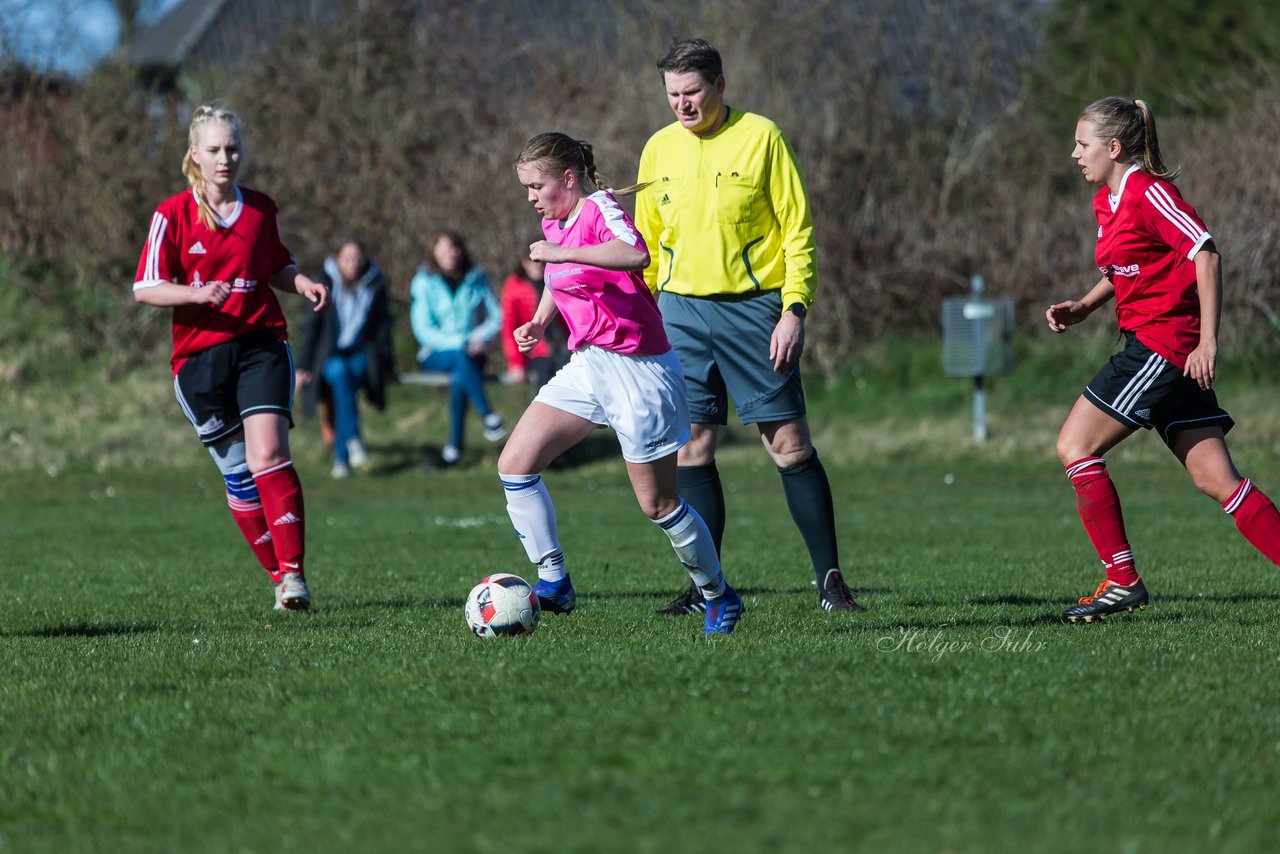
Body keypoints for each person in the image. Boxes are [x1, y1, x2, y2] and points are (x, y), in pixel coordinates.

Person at [634, 37, 860, 615]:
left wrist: (794, 309)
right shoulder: (657, 149)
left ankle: (831, 581)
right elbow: (645, 242)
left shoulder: (763, 137)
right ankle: (704, 587)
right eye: (672, 95)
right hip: (679, 313)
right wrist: (647, 309)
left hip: (754, 312)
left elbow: (797, 229)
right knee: (692, 450)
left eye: (693, 92)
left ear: (720, 86)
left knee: (787, 446)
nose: (682, 105)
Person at [1046, 96, 1280, 622]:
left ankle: (1122, 579)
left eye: (1082, 144)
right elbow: (1127, 267)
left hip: (1164, 348)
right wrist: (1084, 306)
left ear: (1114, 146)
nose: (1074, 153)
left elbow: (1206, 252)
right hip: (1160, 349)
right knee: (1218, 480)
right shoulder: (1106, 201)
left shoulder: (1150, 193)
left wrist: (1208, 342)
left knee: (1075, 446)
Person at [501, 131, 743, 635]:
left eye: (536, 186)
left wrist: (563, 255)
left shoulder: (600, 207)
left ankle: (719, 595)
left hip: (640, 370)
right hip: (589, 364)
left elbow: (635, 255)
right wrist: (541, 322)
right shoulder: (554, 222)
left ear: (568, 179)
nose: (530, 197)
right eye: (525, 187)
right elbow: (559, 280)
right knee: (516, 465)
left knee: (658, 504)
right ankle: (554, 581)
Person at [132, 103, 328, 611]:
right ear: (195, 154)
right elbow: (146, 287)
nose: (226, 158)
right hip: (199, 358)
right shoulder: (171, 215)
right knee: (238, 473)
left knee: (270, 455)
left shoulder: (260, 208)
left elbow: (276, 265)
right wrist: (196, 296)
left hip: (260, 343)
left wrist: (301, 282)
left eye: (233, 148)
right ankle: (276, 578)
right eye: (215, 150)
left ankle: (295, 576)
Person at [296, 238, 393, 479]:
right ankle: (353, 441)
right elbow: (312, 327)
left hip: (361, 354)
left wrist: (385, 362)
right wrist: (303, 365)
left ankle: (342, 459)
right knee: (340, 377)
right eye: (348, 258)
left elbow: (382, 328)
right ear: (338, 260)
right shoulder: (323, 283)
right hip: (331, 355)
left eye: (358, 258)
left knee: (344, 385)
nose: (353, 263)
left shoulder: (375, 284)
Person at [409, 230, 507, 467]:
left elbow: (496, 317)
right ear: (434, 254)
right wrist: (462, 343)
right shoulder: (423, 282)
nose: (450, 254)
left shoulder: (476, 277)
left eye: (453, 248)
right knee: (462, 361)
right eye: (443, 250)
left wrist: (479, 339)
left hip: (472, 353)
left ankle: (453, 450)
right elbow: (424, 330)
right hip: (434, 353)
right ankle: (487, 415)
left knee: (460, 376)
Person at [500, 249, 567, 388]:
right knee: (545, 386)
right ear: (525, 262)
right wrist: (516, 362)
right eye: (534, 261)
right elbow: (509, 326)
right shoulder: (515, 286)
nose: (539, 265)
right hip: (538, 351)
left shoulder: (559, 276)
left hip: (566, 345)